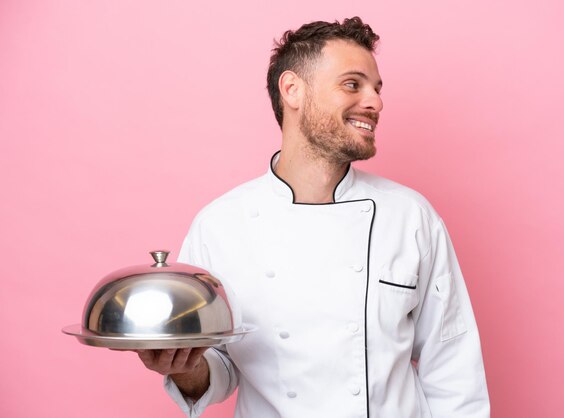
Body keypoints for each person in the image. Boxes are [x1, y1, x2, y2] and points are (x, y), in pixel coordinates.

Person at [136, 17, 490, 418]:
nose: (375, 102)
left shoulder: (411, 217)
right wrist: (186, 369)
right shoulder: (220, 225)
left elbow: (454, 369)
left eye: (376, 89)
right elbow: (217, 366)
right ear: (293, 90)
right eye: (352, 84)